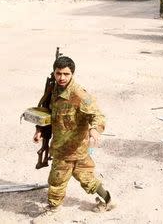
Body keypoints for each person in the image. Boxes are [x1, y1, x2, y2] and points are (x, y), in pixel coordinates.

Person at [32, 57, 111, 221]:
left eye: (66, 74)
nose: (61, 77)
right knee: (86, 177)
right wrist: (40, 130)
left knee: (56, 180)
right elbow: (47, 112)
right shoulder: (54, 90)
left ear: (72, 73)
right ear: (54, 72)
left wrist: (95, 129)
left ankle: (53, 210)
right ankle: (108, 200)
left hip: (69, 149)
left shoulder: (78, 94)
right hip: (69, 147)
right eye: (58, 73)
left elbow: (97, 115)